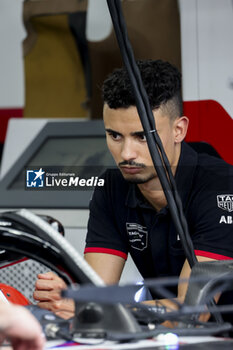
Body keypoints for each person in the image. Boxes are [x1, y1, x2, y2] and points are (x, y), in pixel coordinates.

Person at [33, 59, 233, 320]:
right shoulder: (112, 188)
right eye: (115, 135)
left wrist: (96, 308)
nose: (126, 154)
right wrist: (68, 297)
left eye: (142, 137)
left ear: (179, 130)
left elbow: (194, 312)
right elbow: (95, 295)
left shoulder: (220, 188)